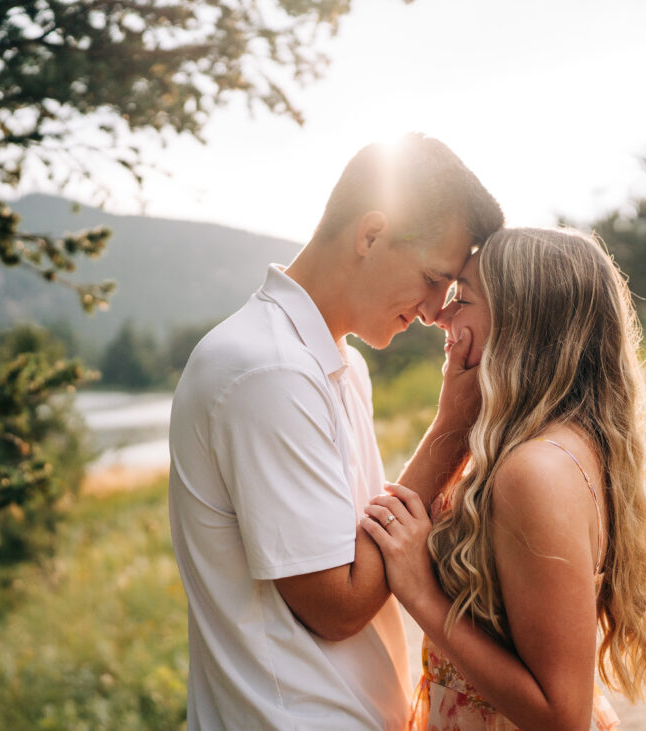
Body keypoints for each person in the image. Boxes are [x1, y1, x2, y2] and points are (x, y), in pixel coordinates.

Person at [168, 133, 503, 730]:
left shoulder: (337, 362)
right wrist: (453, 428)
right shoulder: (266, 370)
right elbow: (339, 605)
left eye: (448, 291)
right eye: (431, 278)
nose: (433, 311)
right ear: (370, 235)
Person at [362, 227, 646, 731]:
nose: (441, 316)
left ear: (521, 323)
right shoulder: (555, 443)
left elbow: (563, 716)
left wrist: (422, 593)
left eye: (462, 299)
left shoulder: (534, 471)